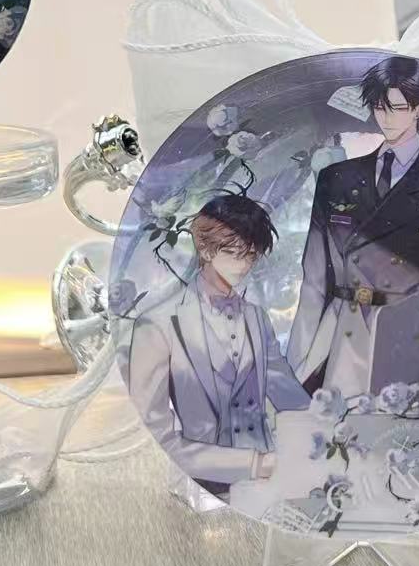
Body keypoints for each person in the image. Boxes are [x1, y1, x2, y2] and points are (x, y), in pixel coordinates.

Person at [287, 56, 419, 397]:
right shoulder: (337, 178)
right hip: (341, 332)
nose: (386, 118)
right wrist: (297, 359)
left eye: (397, 108)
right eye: (379, 107)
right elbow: (314, 279)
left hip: (410, 334)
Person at [127, 193, 309, 493]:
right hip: (204, 483)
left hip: (272, 480)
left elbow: (291, 398)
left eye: (252, 255)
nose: (244, 264)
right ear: (205, 248)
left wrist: (327, 431)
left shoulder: (257, 317)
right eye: (235, 252)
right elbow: (154, 434)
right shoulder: (157, 325)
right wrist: (253, 464)